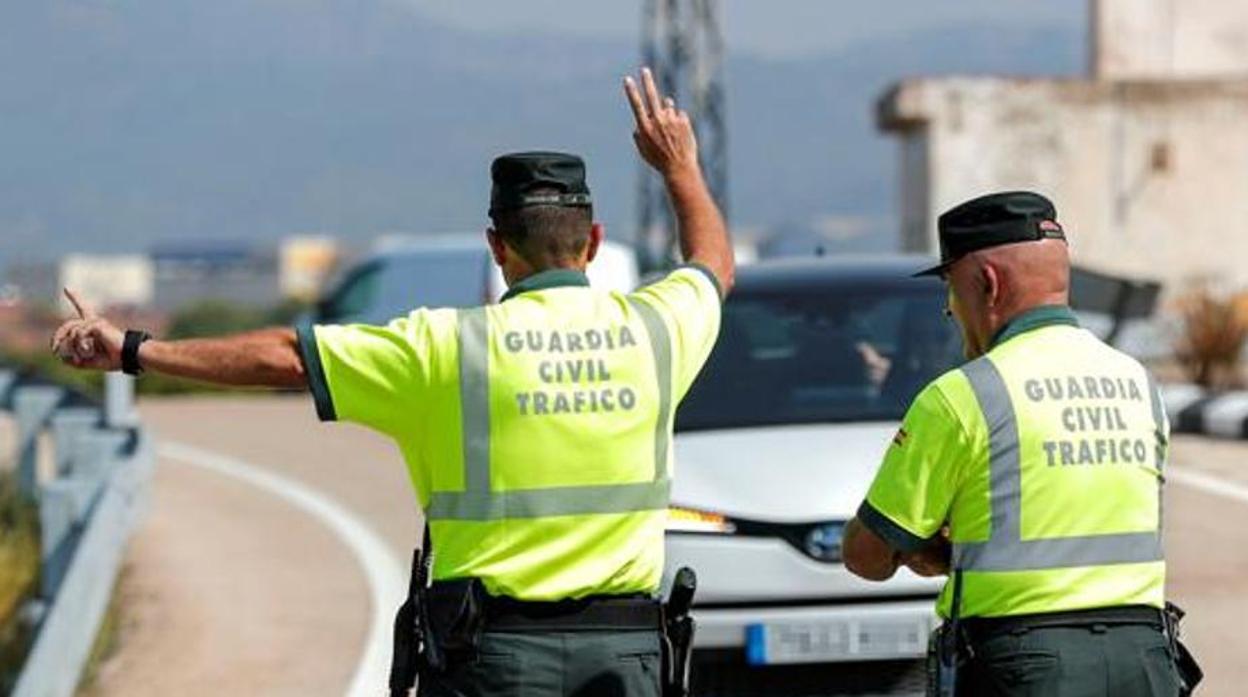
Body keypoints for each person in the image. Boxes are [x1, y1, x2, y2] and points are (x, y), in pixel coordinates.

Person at [51, 67, 733, 697]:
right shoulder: (657, 330)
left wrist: (136, 349)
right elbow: (712, 266)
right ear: (593, 240)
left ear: (496, 246)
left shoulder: (443, 346)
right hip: (625, 655)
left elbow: (288, 356)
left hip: (494, 657)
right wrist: (681, 167)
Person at [841, 192, 1187, 696]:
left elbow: (866, 556)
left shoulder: (963, 396)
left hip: (1027, 667)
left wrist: (933, 552)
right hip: (1145, 661)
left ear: (987, 283)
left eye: (950, 289)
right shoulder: (1139, 383)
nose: (950, 308)